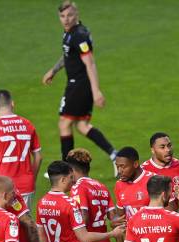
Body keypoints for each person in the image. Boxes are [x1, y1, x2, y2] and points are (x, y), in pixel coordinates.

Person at [42, 0, 118, 175]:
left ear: (77, 15)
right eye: (62, 16)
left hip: (80, 85)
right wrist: (53, 70)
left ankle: (64, 170)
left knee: (64, 123)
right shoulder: (70, 33)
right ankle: (115, 154)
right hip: (77, 84)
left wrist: (96, 90)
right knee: (82, 125)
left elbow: (90, 63)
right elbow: (68, 55)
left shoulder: (79, 35)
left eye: (69, 15)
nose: (66, 19)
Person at [0, 90, 42, 210]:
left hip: (0, 188)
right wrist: (31, 178)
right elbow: (38, 156)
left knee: (1, 225)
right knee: (24, 224)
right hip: (25, 186)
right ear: (12, 103)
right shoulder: (28, 124)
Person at [141, 132, 179, 212]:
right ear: (153, 150)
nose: (168, 150)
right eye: (162, 147)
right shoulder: (143, 170)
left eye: (169, 145)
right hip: (149, 220)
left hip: (172, 220)